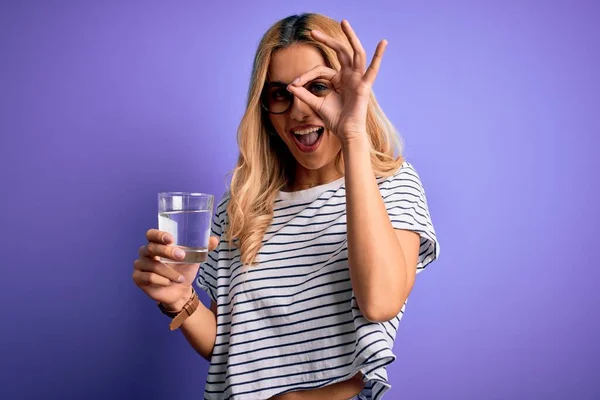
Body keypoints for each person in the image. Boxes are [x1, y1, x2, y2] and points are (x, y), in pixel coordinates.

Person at [133, 12, 439, 400]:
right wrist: (180, 299)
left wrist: (353, 134)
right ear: (264, 108)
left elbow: (379, 302)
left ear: (348, 91)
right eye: (281, 94)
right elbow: (233, 353)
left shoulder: (392, 186)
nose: (300, 110)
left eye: (318, 87)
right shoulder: (240, 205)